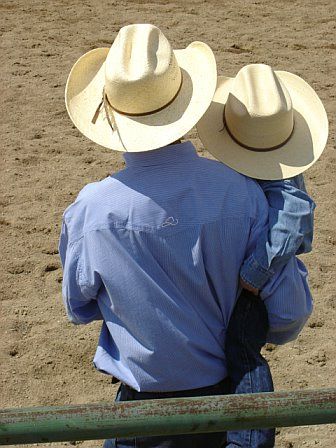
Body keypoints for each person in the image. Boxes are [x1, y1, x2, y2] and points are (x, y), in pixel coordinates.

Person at [60, 26, 315, 448]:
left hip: (139, 413)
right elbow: (287, 317)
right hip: (226, 407)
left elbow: (78, 305)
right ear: (183, 103)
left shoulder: (90, 210)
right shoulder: (245, 195)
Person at [197, 63, 328, 447]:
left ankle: (251, 438)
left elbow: (295, 221)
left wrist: (252, 275)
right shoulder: (281, 168)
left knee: (241, 349)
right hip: (261, 274)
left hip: (256, 282)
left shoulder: (284, 184)